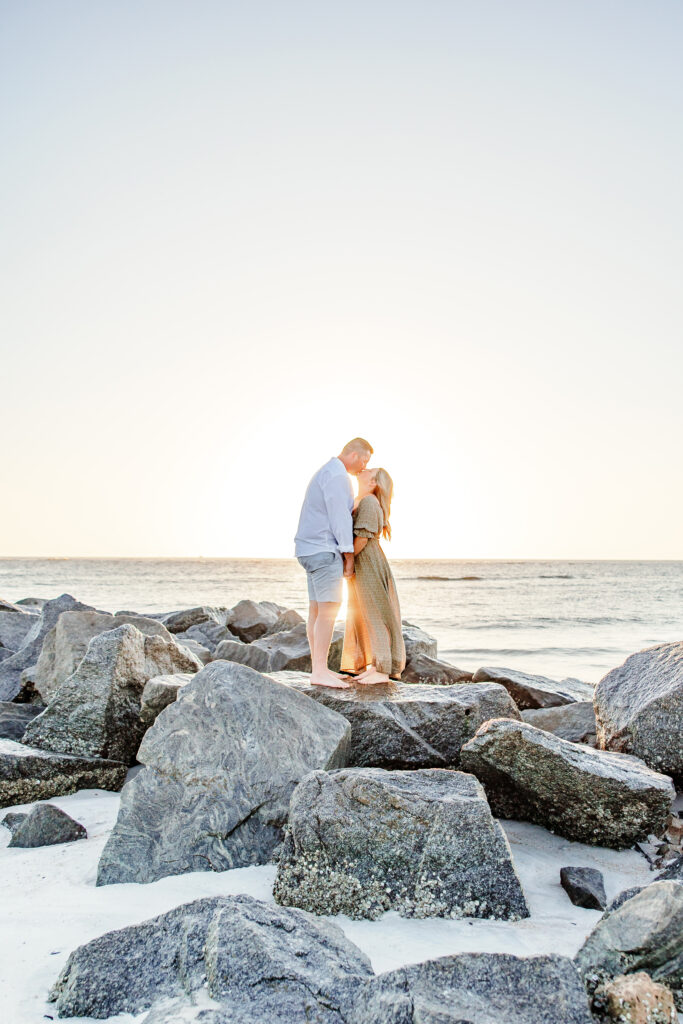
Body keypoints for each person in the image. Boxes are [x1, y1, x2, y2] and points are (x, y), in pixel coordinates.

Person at [295, 438, 373, 687]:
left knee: (317, 611)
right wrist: (349, 557)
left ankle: (320, 668)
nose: (363, 466)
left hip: (308, 549)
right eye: (364, 460)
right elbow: (340, 519)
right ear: (353, 454)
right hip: (323, 550)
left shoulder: (326, 471)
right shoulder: (339, 477)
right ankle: (319, 672)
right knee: (328, 610)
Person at [340, 466, 406, 684]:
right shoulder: (364, 500)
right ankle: (375, 665)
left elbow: (362, 538)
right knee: (363, 613)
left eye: (370, 470)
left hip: (368, 561)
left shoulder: (368, 502)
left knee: (375, 614)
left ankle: (382, 670)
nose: (364, 469)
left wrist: (347, 563)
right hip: (366, 561)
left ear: (374, 482)